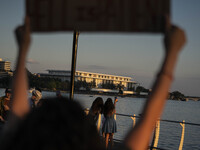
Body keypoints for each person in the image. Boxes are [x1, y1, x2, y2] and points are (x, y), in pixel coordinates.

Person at [0, 15, 186, 150]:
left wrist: (22, 50)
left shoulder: (16, 142)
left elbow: (16, 114)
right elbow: (148, 120)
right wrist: (172, 53)